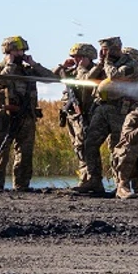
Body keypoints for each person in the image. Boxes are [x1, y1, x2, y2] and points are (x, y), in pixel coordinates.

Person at [0, 36, 56, 191]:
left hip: (26, 116)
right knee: (1, 150)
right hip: (5, 117)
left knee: (25, 152)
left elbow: (51, 78)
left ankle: (21, 185)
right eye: (18, 50)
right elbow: (0, 82)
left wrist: (34, 64)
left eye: (23, 50)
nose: (21, 53)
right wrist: (10, 64)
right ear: (8, 51)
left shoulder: (28, 70)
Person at [79, 36, 138, 195]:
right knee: (90, 143)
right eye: (102, 50)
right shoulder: (105, 64)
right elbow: (87, 80)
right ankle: (94, 180)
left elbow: (115, 76)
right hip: (101, 108)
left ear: (116, 48)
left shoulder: (130, 64)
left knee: (118, 147)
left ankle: (120, 185)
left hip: (121, 110)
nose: (103, 53)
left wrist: (106, 63)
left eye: (106, 49)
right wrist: (100, 64)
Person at [53, 43, 97, 187]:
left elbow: (86, 81)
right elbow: (51, 76)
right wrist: (62, 66)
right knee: (78, 146)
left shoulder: (94, 71)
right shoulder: (71, 71)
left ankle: (90, 180)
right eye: (74, 57)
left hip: (86, 114)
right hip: (72, 116)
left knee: (85, 146)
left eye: (80, 57)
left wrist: (83, 67)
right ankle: (84, 179)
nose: (77, 60)